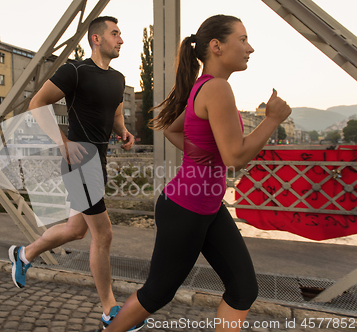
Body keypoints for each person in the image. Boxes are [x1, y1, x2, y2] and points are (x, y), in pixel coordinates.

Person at [101, 14, 292, 332]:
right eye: (242, 40)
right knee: (157, 294)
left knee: (244, 288)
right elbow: (234, 158)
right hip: (186, 209)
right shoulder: (216, 89)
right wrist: (271, 120)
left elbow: (175, 132)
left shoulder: (205, 87)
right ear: (216, 46)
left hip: (206, 206)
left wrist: (202, 156)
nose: (250, 48)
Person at [8, 16, 144, 331]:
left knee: (75, 230)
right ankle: (110, 310)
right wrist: (61, 142)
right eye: (115, 33)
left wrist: (123, 131)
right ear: (96, 39)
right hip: (79, 158)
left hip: (99, 157)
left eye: (120, 34)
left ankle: (24, 254)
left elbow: (113, 111)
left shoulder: (118, 78)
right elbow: (37, 103)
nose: (121, 39)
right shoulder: (75, 71)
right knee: (103, 234)